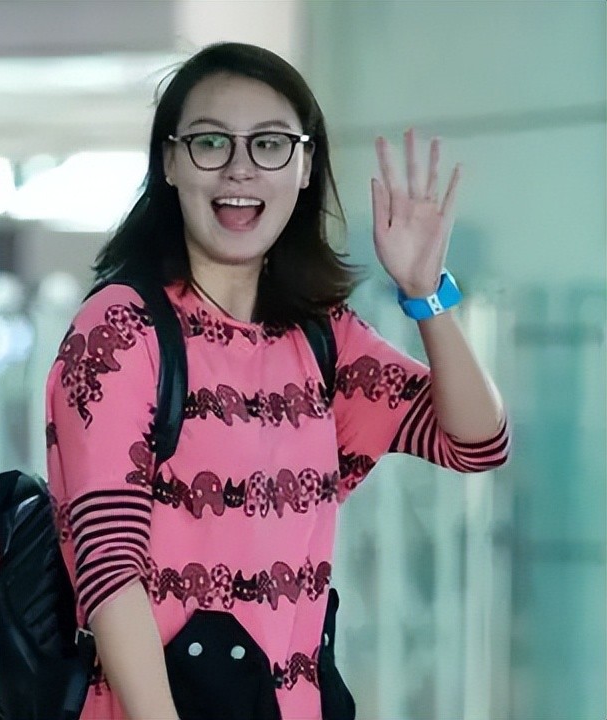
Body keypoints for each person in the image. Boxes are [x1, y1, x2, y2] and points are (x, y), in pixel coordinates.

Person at [45, 42, 510, 720]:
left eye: (269, 144)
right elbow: (110, 568)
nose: (239, 168)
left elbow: (477, 442)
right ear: (170, 162)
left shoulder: (319, 333)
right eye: (210, 142)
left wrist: (425, 293)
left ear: (304, 165)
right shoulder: (120, 329)